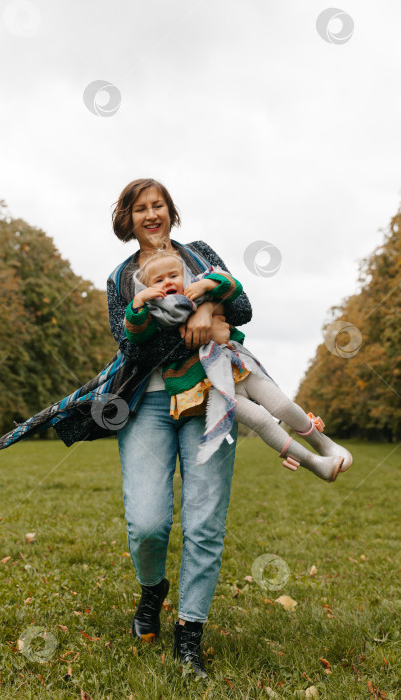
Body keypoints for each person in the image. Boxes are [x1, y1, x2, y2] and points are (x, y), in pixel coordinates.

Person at [107, 178, 252, 677]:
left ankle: (189, 632)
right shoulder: (121, 277)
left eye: (159, 206)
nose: (151, 215)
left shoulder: (201, 253)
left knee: (205, 518)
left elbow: (243, 306)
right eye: (140, 209)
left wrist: (209, 308)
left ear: (171, 212)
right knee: (147, 522)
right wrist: (151, 308)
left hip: (210, 392)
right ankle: (153, 590)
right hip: (145, 401)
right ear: (127, 219)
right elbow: (128, 346)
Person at [125, 250, 353, 480]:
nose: (168, 282)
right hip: (209, 387)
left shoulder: (198, 289)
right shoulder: (154, 314)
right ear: (148, 289)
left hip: (237, 365)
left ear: (183, 275)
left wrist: (205, 285)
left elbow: (233, 287)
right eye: (159, 280)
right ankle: (314, 463)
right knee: (261, 420)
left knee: (282, 405)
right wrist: (138, 302)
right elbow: (136, 336)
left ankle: (324, 444)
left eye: (173, 275)